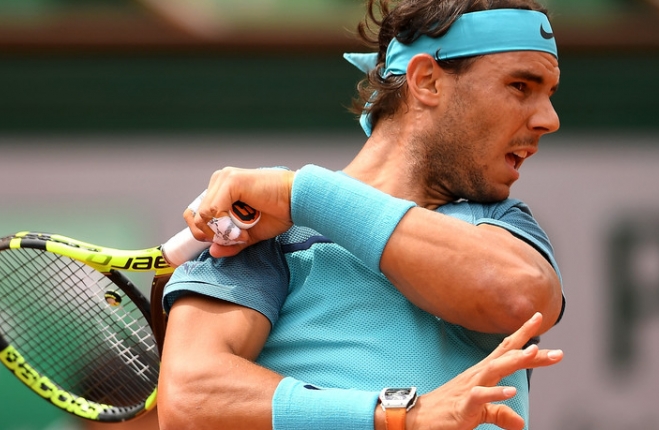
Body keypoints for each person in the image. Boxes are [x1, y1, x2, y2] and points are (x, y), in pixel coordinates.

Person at [157, 0, 566, 428]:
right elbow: (189, 398)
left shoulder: (502, 227)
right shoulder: (267, 237)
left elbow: (518, 297)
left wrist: (302, 194)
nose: (549, 119)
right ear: (427, 81)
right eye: (521, 86)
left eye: (549, 95)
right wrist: (397, 416)